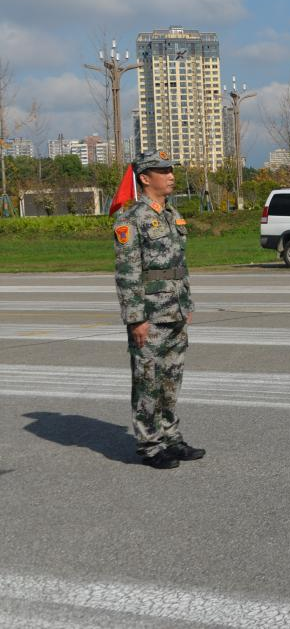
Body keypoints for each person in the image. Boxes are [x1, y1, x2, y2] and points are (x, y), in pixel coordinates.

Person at [113, 150, 202, 469]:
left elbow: (180, 265)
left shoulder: (171, 213)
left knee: (171, 378)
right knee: (147, 380)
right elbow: (127, 272)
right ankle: (149, 445)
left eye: (170, 169)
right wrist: (135, 318)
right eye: (162, 170)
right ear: (145, 178)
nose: (170, 175)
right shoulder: (131, 217)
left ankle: (170, 437)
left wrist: (187, 303)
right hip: (149, 316)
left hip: (175, 312)